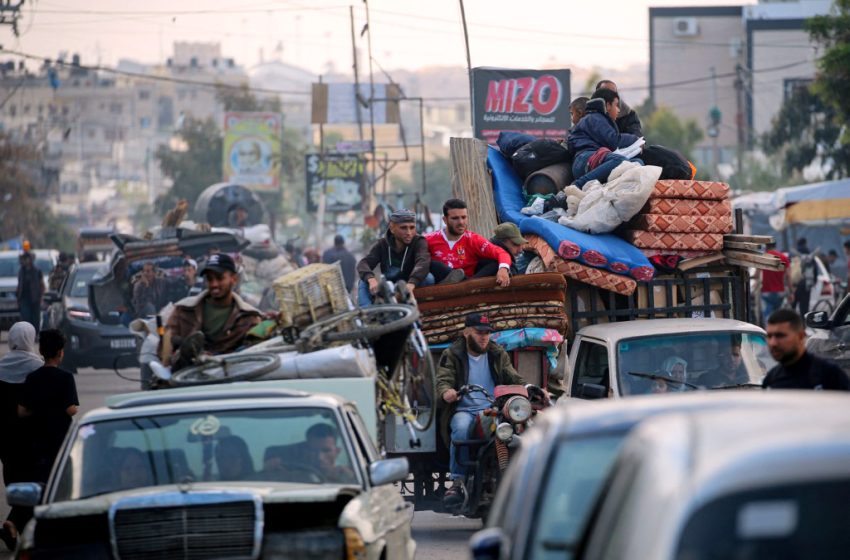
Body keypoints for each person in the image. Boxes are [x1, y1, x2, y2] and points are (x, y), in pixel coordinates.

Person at [436, 313, 526, 505]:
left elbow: (513, 377)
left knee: (512, 432)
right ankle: (457, 482)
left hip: (493, 409)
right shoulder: (452, 354)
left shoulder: (497, 353)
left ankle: (512, 479)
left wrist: (529, 389)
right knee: (460, 429)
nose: (484, 337)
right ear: (466, 332)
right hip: (463, 410)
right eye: (479, 332)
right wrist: (447, 392)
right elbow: (443, 379)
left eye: (487, 333)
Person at [165, 253, 262, 370]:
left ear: (234, 279)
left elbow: (254, 354)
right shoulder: (184, 309)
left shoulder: (248, 317)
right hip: (187, 377)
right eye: (210, 279)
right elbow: (167, 346)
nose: (214, 284)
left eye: (220, 278)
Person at [0, 322, 43, 550]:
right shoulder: (39, 368)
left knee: (14, 481)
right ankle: (14, 524)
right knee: (36, 483)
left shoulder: (0, 368)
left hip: (5, 437)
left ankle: (15, 527)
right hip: (32, 436)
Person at [18, 329, 79, 483]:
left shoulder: (32, 377)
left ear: (41, 351)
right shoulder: (66, 377)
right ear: (60, 353)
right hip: (60, 436)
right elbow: (70, 410)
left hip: (37, 436)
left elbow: (22, 412)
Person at [426, 199, 512, 287]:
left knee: (495, 263)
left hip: (468, 282)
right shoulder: (429, 239)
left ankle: (468, 283)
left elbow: (501, 253)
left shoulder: (473, 239)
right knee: (431, 263)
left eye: (463, 217)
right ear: (445, 220)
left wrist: (503, 269)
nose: (461, 222)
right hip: (440, 283)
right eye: (455, 218)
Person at [568, 88, 643, 189]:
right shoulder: (594, 117)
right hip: (585, 160)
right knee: (620, 161)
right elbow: (614, 141)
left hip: (594, 159)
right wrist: (636, 140)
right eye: (616, 105)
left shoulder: (599, 118)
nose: (619, 110)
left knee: (638, 162)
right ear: (607, 105)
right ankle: (576, 186)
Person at [356, 209, 433, 307]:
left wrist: (411, 284)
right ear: (392, 228)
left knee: (429, 278)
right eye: (403, 228)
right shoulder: (382, 244)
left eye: (412, 227)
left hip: (409, 284)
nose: (409, 232)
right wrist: (371, 279)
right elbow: (363, 263)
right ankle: (367, 313)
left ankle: (419, 306)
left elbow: (423, 262)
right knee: (363, 281)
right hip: (389, 286)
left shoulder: (419, 241)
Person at [762, 309, 850, 390]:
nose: (773, 343)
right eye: (769, 336)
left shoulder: (830, 376)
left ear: (800, 336)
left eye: (780, 336)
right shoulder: (771, 381)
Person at [761, 242, 790, 325]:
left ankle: (768, 331)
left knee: (767, 315)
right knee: (779, 314)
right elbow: (788, 276)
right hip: (780, 292)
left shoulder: (763, 257)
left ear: (766, 246)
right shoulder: (783, 258)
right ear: (775, 246)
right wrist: (791, 292)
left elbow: (756, 275)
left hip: (766, 292)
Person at [16, 251, 45, 333]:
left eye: (27, 259)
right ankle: (27, 334)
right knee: (25, 317)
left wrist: (41, 297)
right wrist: (18, 297)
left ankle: (35, 333)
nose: (25, 261)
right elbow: (19, 285)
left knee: (35, 318)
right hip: (24, 298)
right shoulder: (21, 271)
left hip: (35, 298)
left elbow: (42, 285)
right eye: (24, 259)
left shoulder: (37, 271)